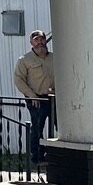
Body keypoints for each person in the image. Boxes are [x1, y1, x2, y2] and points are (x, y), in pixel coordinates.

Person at [13, 31, 55, 163]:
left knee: (62, 127)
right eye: (36, 39)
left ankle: (59, 156)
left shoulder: (55, 57)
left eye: (42, 39)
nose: (40, 42)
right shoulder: (24, 60)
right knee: (37, 128)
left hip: (55, 98)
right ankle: (37, 157)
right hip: (37, 99)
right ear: (31, 42)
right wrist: (31, 96)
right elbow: (19, 80)